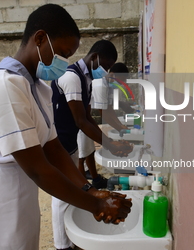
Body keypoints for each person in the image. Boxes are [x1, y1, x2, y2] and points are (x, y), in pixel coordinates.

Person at [0, 4, 132, 250]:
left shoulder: (39, 87)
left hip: (23, 192)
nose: (64, 62)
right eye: (62, 53)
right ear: (40, 38)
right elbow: (37, 167)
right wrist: (97, 205)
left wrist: (89, 190)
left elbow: (54, 149)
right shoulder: (3, 86)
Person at [51, 40, 133, 250]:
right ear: (95, 57)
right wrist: (111, 145)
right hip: (58, 144)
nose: (106, 71)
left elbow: (88, 116)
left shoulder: (86, 79)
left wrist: (111, 142)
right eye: (105, 66)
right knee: (61, 198)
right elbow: (80, 120)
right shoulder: (71, 77)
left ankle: (70, 239)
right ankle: (62, 245)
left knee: (72, 195)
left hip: (69, 142)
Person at [78, 62, 134, 181]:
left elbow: (110, 110)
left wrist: (120, 126)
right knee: (81, 155)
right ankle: (83, 185)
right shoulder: (100, 84)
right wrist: (120, 129)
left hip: (87, 117)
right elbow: (104, 113)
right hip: (79, 119)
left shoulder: (109, 86)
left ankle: (95, 179)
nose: (120, 84)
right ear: (113, 75)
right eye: (121, 81)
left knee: (89, 150)